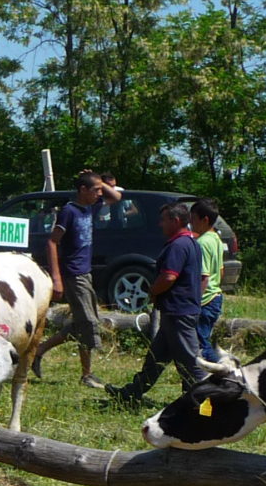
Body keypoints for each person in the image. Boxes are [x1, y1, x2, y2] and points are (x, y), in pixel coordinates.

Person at [107, 202, 205, 405]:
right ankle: (131, 393)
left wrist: (152, 291)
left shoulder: (178, 245)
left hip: (179, 312)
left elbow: (169, 277)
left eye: (163, 220)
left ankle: (203, 402)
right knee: (155, 359)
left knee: (190, 362)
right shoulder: (191, 243)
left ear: (175, 221)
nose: (160, 224)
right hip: (175, 311)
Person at [32, 172, 111, 388]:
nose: (99, 194)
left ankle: (39, 351)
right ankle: (87, 374)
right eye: (95, 190)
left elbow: (116, 198)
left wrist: (99, 182)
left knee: (80, 324)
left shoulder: (90, 208)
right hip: (74, 274)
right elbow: (52, 242)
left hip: (86, 272)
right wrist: (57, 278)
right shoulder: (69, 211)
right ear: (82, 190)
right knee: (88, 322)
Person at [189, 198, 231, 369]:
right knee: (200, 340)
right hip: (215, 297)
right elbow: (220, 271)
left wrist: (194, 303)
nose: (190, 223)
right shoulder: (215, 239)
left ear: (205, 220)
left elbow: (203, 277)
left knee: (201, 344)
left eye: (193, 218)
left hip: (204, 301)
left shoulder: (202, 243)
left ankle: (223, 371)